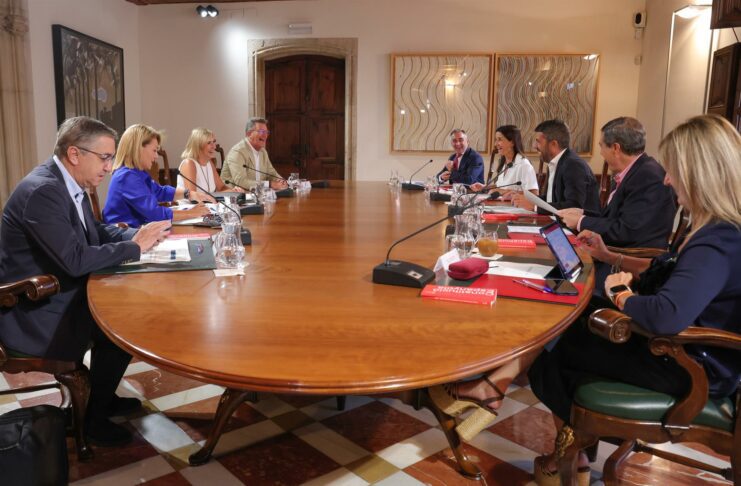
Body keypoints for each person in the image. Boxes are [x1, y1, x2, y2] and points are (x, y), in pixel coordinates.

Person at [429, 115, 741, 485]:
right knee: (564, 321)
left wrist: (621, 295)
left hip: (688, 366)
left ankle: (561, 446)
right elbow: (669, 271)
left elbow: (666, 315)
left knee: (554, 350)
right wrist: (610, 257)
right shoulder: (712, 229)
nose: (668, 180)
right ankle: (512, 402)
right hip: (676, 351)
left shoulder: (718, 240)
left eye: (674, 171)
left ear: (699, 174)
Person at [0, 116, 172, 446]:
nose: (109, 166)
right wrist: (135, 247)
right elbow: (75, 259)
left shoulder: (65, 183)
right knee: (122, 326)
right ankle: (92, 420)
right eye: (104, 157)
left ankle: (101, 399)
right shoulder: (43, 191)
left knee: (125, 318)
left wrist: (135, 235)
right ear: (75, 154)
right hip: (32, 312)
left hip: (56, 294)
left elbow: (93, 231)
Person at [556, 117, 676, 249]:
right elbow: (613, 218)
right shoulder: (634, 171)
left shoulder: (648, 177)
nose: (601, 153)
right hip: (614, 250)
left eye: (601, 146)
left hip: (627, 256)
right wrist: (582, 213)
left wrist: (580, 221)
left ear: (615, 148)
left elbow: (627, 231)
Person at [103, 124, 214, 227]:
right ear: (138, 149)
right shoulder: (127, 177)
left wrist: (189, 194)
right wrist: (190, 213)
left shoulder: (137, 173)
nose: (156, 156)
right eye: (154, 150)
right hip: (126, 237)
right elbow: (154, 213)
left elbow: (159, 192)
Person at [513, 119, 599, 213]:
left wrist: (535, 207)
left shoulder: (573, 165)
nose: (534, 146)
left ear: (553, 144)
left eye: (538, 142)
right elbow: (551, 199)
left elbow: (574, 206)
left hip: (579, 223)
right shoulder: (556, 163)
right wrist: (527, 199)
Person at [220, 117, 288, 191]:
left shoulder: (263, 152)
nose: (265, 135)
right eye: (261, 131)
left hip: (258, 194)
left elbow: (272, 173)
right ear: (249, 134)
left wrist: (281, 181)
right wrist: (269, 184)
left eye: (266, 132)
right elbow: (240, 181)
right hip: (235, 196)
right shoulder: (238, 152)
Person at [470, 125, 538, 197]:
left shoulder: (524, 165)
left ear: (512, 142)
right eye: (496, 140)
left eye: (500, 139)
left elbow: (534, 194)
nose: (496, 144)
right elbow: (501, 186)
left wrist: (503, 191)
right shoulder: (505, 163)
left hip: (515, 204)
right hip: (501, 203)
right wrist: (484, 187)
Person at [177, 127, 244, 194]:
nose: (214, 147)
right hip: (192, 201)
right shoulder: (189, 164)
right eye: (209, 143)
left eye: (214, 142)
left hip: (208, 201)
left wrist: (233, 191)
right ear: (198, 146)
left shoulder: (209, 163)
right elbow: (192, 195)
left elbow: (221, 188)